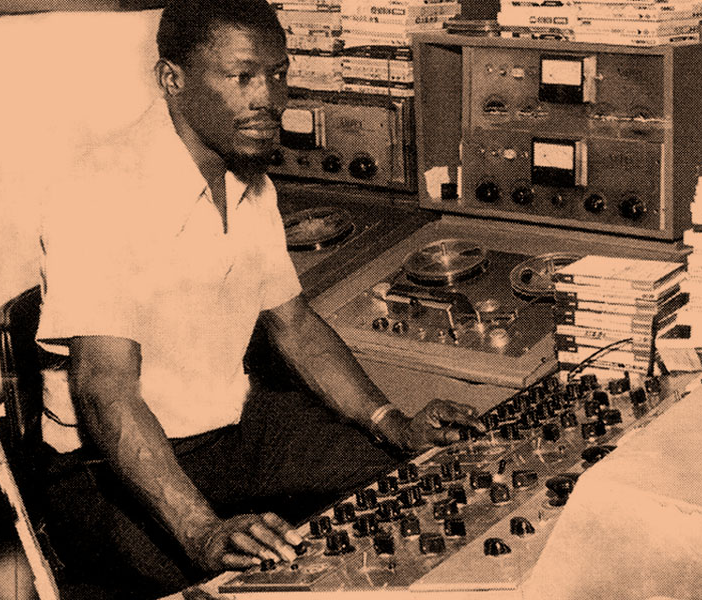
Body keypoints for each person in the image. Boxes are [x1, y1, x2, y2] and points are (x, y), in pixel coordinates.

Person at [33, 1, 484, 597]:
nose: (267, 98)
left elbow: (294, 324)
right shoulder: (101, 189)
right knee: (234, 587)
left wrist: (392, 422)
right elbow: (103, 386)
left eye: (278, 74)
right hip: (113, 467)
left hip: (229, 426)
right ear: (173, 79)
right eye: (242, 76)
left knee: (414, 484)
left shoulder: (248, 181)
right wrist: (201, 532)